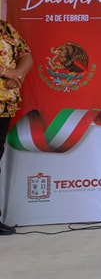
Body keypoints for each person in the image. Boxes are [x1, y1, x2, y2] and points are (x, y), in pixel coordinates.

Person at [0, 19, 33, 235]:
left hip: (5, 104)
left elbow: (26, 55)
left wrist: (18, 73)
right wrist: (6, 72)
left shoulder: (6, 28)